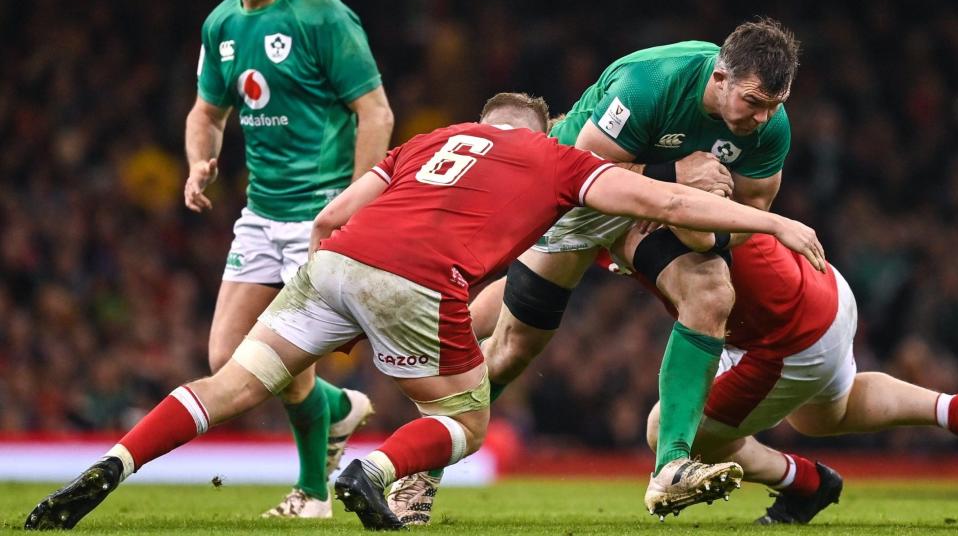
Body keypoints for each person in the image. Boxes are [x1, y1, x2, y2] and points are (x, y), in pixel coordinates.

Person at [24, 92, 826, 531]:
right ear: (542, 129)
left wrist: (326, 298)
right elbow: (659, 196)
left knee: (230, 383)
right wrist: (774, 220)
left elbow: (331, 216)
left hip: (337, 261)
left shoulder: (430, 140)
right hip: (417, 283)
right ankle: (372, 470)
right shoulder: (557, 159)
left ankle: (113, 466)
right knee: (467, 420)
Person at [464, 17, 802, 518]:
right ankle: (424, 454)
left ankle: (671, 468)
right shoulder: (652, 83)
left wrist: (707, 234)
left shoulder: (771, 125)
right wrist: (674, 176)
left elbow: (754, 209)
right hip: (579, 197)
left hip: (657, 212)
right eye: (753, 102)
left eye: (774, 106)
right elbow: (586, 168)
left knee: (712, 293)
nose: (762, 118)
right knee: (512, 352)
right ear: (720, 77)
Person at [183, 0, 393, 517]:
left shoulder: (320, 14)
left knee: (285, 361)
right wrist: (200, 160)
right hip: (261, 213)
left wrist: (354, 205)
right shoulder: (220, 25)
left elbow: (375, 112)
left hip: (318, 214)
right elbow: (207, 112)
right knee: (226, 358)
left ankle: (312, 494)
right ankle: (340, 410)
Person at [627, 231, 958, 524]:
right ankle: (951, 410)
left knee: (664, 428)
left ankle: (804, 482)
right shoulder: (691, 178)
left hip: (786, 338)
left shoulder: (638, 194)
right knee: (825, 415)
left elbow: (654, 208)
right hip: (820, 283)